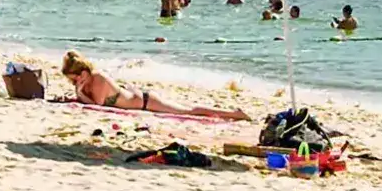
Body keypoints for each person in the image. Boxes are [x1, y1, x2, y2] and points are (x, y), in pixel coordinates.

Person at [56, 53, 245, 120]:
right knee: (187, 110)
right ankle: (232, 113)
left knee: (188, 111)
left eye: (73, 79)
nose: (73, 83)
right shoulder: (90, 81)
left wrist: (78, 92)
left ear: (82, 74)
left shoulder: (98, 79)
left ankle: (233, 113)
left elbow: (96, 105)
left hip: (145, 102)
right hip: (136, 98)